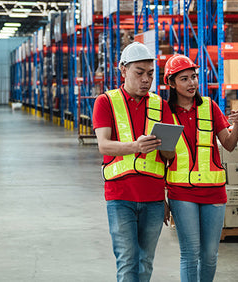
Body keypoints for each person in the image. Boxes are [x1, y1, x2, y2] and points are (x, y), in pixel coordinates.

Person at [92, 42, 176, 282]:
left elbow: (168, 157)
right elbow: (104, 145)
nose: (145, 80)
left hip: (153, 199)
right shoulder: (106, 102)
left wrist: (168, 147)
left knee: (145, 263)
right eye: (139, 73)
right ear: (123, 70)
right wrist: (135, 147)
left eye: (150, 74)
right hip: (120, 196)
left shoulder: (161, 105)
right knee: (128, 261)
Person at [162, 54, 238, 282]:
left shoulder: (209, 107)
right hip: (182, 192)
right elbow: (162, 158)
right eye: (184, 79)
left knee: (210, 255)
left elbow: (229, 145)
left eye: (194, 77)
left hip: (213, 191)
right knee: (190, 254)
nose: (192, 83)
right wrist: (162, 198)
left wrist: (236, 126)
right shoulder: (165, 113)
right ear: (171, 83)